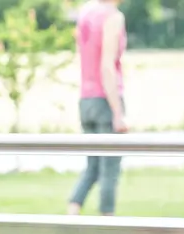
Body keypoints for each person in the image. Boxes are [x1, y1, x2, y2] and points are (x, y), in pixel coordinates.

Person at [66, 0, 127, 217]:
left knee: (92, 167)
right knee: (110, 169)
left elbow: (82, 55)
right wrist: (118, 112)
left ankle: (70, 218)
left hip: (86, 99)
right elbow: (107, 65)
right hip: (105, 99)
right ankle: (108, 226)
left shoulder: (85, 12)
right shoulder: (113, 16)